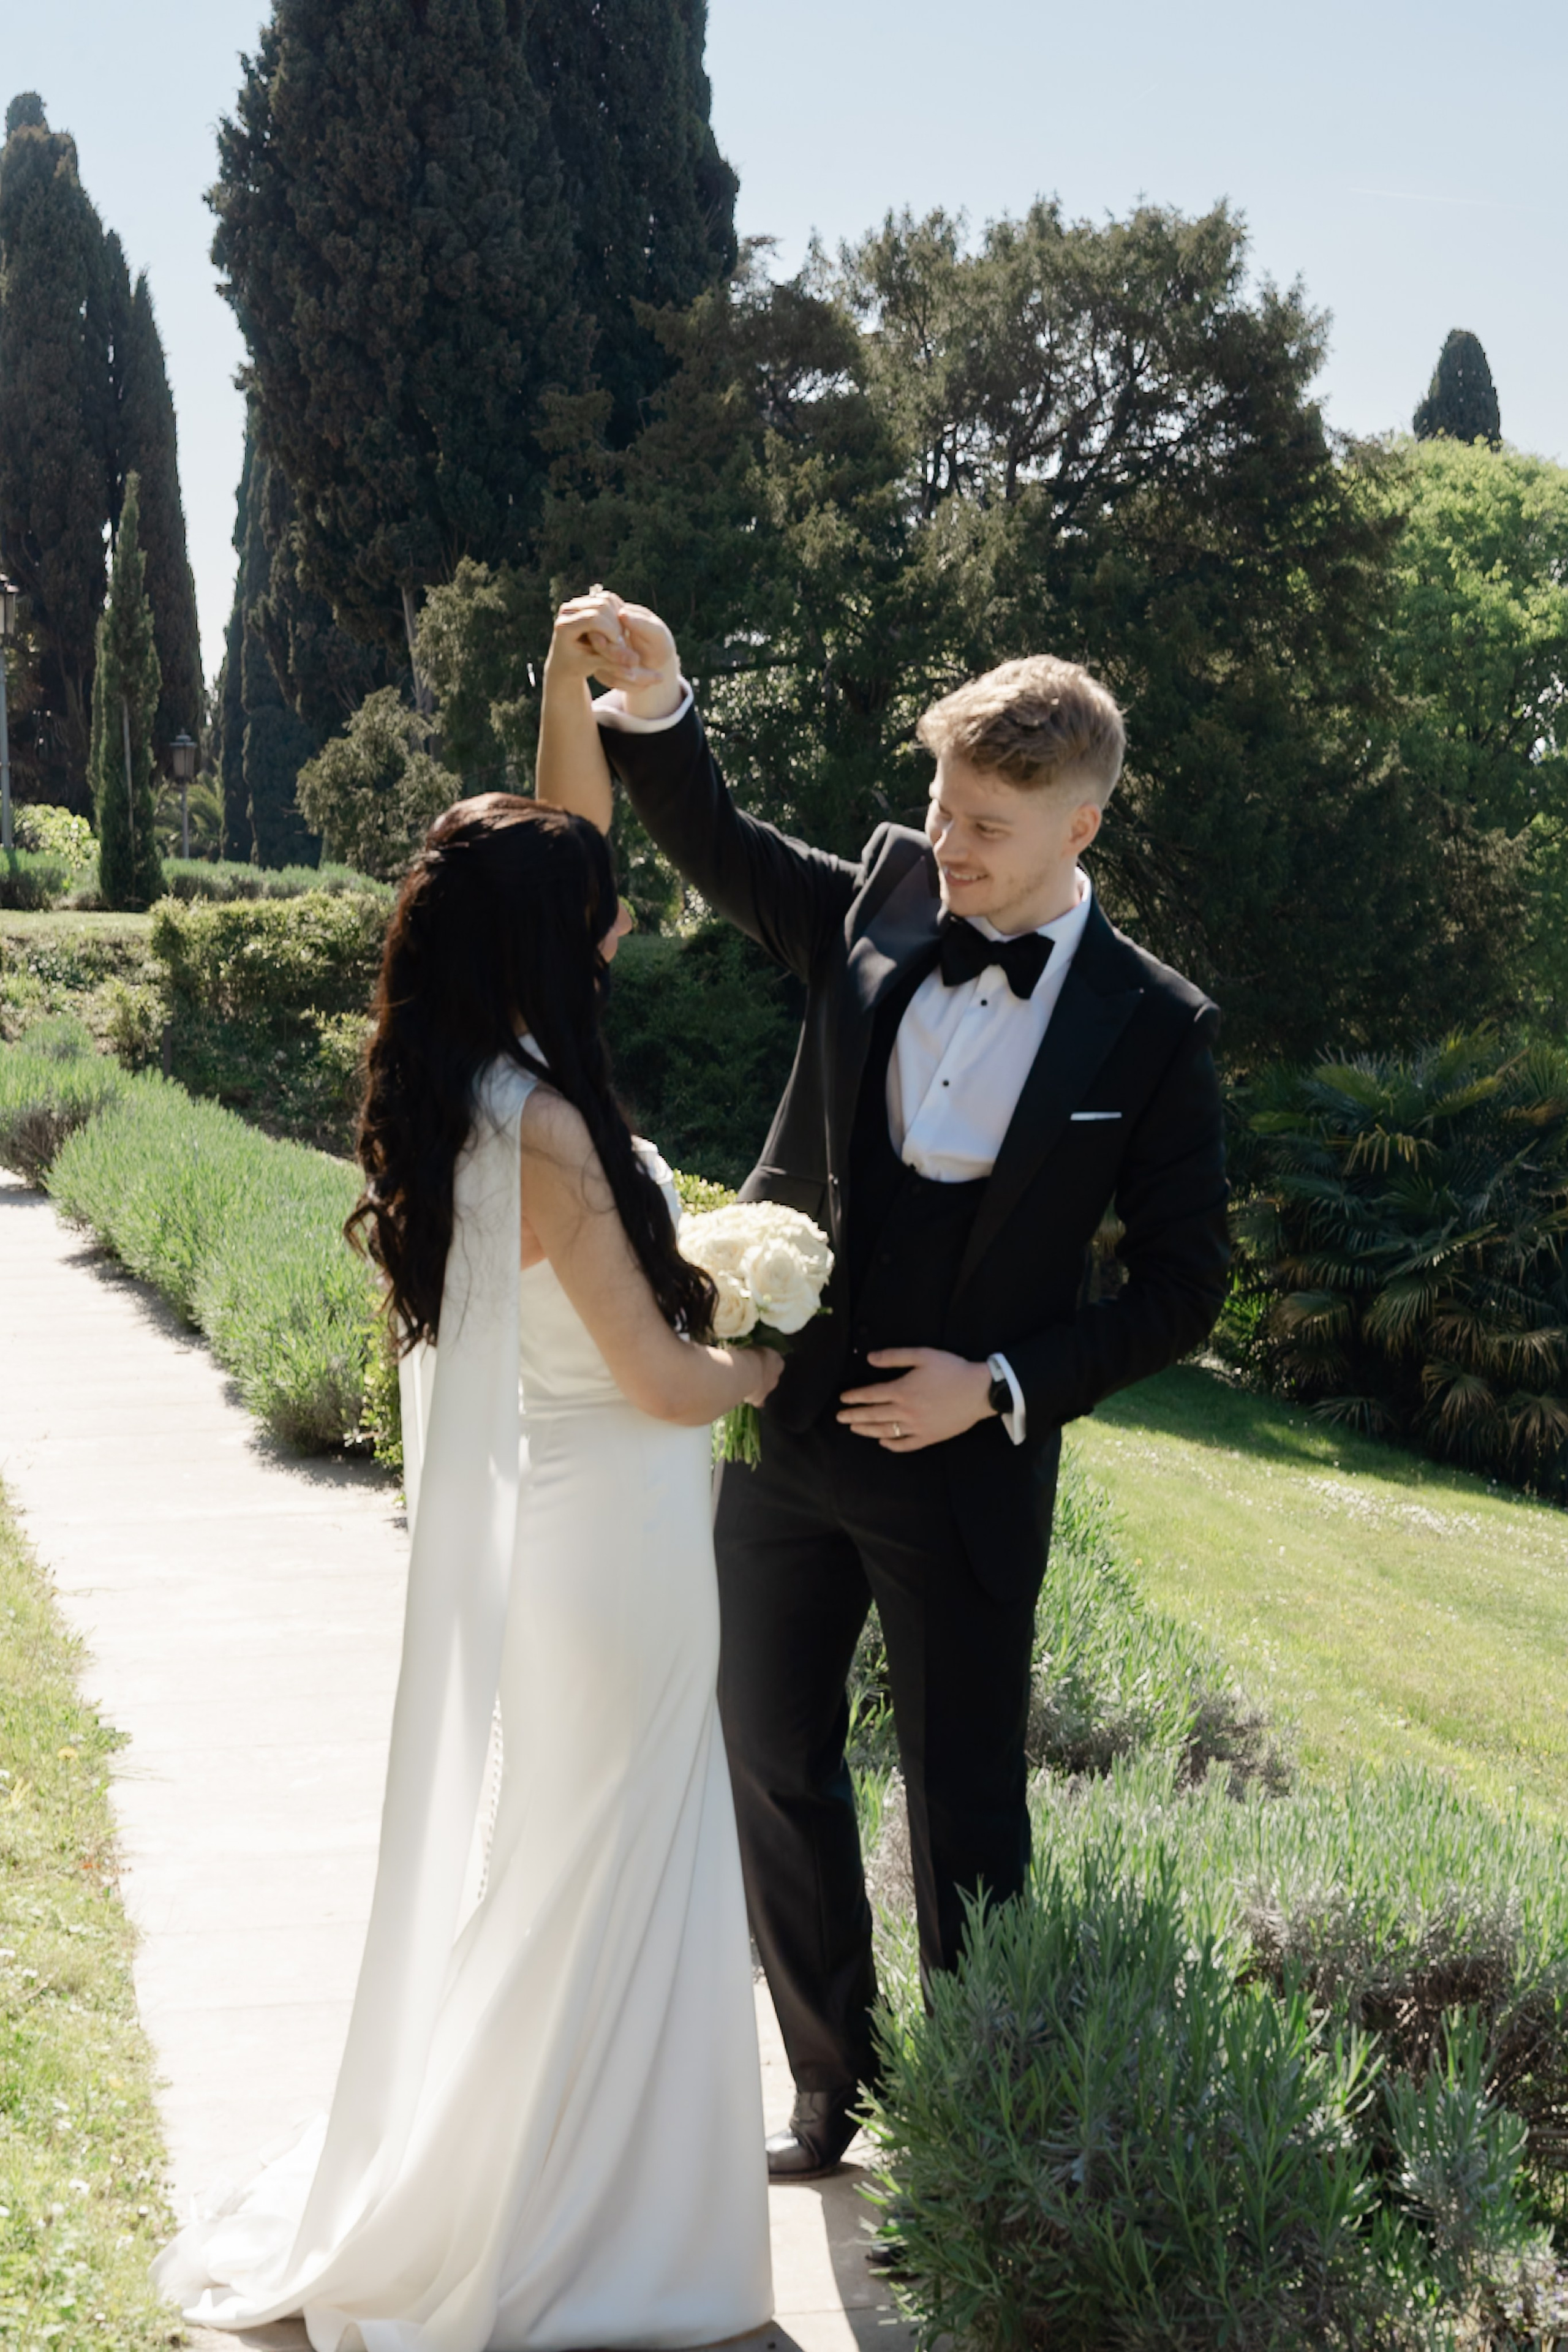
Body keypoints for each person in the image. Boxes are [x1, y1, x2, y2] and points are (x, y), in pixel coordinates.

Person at [539, 589, 1231, 2183]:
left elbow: (1184, 1289)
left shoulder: (1155, 1033)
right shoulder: (877, 902)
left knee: (968, 1814)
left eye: (988, 823)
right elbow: (718, 844)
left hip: (966, 1479)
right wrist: (658, 698)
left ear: (1085, 821)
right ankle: (827, 2086)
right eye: (939, 803)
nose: (952, 843)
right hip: (786, 1437)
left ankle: (980, 2140)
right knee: (770, 1759)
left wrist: (996, 1385)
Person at [155, 793, 778, 2351]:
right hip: (619, 1545)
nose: (623, 931)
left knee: (571, 1870)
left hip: (557, 1543)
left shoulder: (458, 1090)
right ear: (542, 939)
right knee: (615, 1869)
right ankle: (580, 2226)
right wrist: (761, 1364)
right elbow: (653, 1378)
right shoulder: (554, 1128)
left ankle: (531, 2184)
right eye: (602, 912)